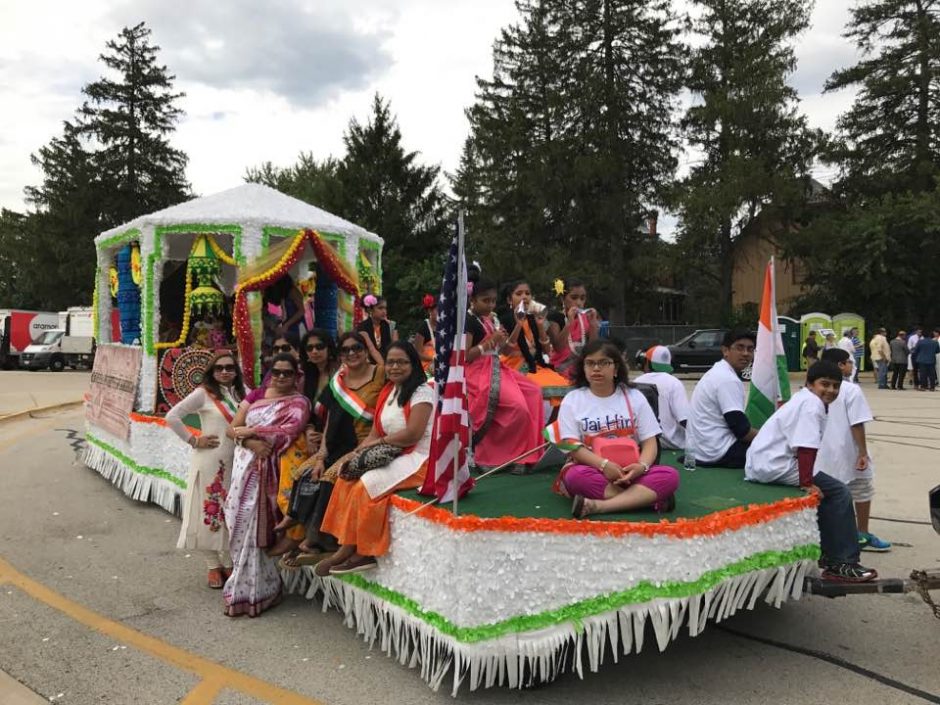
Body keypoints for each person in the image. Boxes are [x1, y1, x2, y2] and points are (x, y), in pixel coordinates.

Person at [744, 361, 877, 583]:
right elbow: (806, 447)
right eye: (824, 384)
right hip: (774, 464)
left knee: (831, 490)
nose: (830, 390)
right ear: (810, 383)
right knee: (840, 493)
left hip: (766, 461)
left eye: (836, 386)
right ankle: (842, 563)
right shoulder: (811, 405)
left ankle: (829, 553)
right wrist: (807, 483)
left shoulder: (806, 399)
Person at [314, 342, 435, 576]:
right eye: (391, 362)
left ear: (414, 364)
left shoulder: (422, 392)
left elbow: (413, 434)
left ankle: (363, 553)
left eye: (402, 362)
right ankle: (345, 546)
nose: (395, 367)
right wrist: (355, 454)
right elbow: (375, 432)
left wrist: (378, 444)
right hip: (392, 453)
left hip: (419, 458)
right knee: (345, 476)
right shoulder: (388, 391)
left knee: (365, 486)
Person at [547, 339, 678, 518]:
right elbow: (572, 447)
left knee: (670, 475)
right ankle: (648, 498)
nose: (596, 369)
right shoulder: (573, 400)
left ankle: (597, 506)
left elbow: (650, 442)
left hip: (632, 471)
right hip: (593, 469)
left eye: (604, 363)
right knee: (575, 477)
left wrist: (642, 466)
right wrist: (604, 465)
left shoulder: (635, 397)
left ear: (616, 368)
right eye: (590, 363)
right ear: (583, 368)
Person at [224, 354, 310, 617]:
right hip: (243, 468)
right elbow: (232, 429)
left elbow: (289, 431)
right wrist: (249, 442)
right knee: (236, 522)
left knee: (255, 526)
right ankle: (243, 586)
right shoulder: (256, 397)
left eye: (287, 373)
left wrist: (251, 432)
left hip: (269, 470)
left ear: (296, 376)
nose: (281, 377)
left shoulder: (299, 402)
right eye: (277, 372)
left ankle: (261, 590)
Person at [297, 331, 385, 559]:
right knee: (304, 471)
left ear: (366, 350)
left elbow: (391, 363)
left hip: (367, 443)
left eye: (357, 348)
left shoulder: (380, 373)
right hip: (339, 442)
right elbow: (331, 421)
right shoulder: (340, 380)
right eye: (346, 350)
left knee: (330, 477)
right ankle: (303, 535)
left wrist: (373, 347)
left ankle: (324, 540)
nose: (352, 353)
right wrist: (320, 456)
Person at [165, 351, 245, 588]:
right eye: (219, 368)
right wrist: (193, 440)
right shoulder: (203, 394)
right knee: (209, 513)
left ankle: (229, 560)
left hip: (238, 462)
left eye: (229, 368)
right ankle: (213, 564)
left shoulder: (243, 393)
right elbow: (172, 416)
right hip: (211, 461)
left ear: (236, 370)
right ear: (211, 371)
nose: (224, 372)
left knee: (232, 513)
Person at [269, 329, 340, 561]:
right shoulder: (307, 377)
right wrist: (310, 432)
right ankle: (293, 525)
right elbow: (309, 414)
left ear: (329, 348)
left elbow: (342, 415)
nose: (315, 351)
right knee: (290, 456)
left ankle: (303, 536)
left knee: (314, 472)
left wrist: (323, 445)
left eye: (319, 346)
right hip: (317, 435)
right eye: (309, 348)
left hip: (341, 437)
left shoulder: (340, 374)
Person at [465, 277, 545, 471]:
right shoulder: (467, 321)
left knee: (534, 392)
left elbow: (505, 351)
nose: (490, 305)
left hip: (496, 366)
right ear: (472, 300)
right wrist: (489, 342)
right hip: (476, 372)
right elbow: (465, 356)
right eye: (485, 300)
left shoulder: (490, 318)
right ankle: (495, 456)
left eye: (493, 300)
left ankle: (528, 453)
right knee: (518, 407)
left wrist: (518, 324)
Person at [818, 348, 891, 552]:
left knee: (826, 494)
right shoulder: (850, 389)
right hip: (848, 451)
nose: (852, 366)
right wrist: (862, 452)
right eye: (849, 362)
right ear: (841, 365)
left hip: (821, 454)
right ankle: (861, 533)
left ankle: (826, 535)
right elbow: (857, 423)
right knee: (862, 489)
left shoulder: (814, 388)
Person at [686, 329, 756, 468]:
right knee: (776, 451)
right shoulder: (727, 379)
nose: (746, 353)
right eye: (740, 348)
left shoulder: (718, 371)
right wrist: (772, 437)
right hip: (717, 452)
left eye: (750, 349)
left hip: (698, 451)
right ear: (725, 351)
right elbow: (741, 430)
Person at [498, 278, 571, 410]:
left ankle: (548, 429)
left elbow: (547, 350)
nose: (524, 297)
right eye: (519, 294)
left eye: (527, 293)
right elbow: (506, 351)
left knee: (564, 386)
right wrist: (518, 325)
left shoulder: (535, 317)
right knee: (537, 388)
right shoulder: (503, 320)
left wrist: (540, 325)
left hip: (535, 364)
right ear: (510, 300)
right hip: (513, 365)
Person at [634, 345, 689, 450]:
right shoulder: (674, 382)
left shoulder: (636, 382)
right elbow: (684, 419)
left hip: (645, 443)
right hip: (673, 443)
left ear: (648, 363)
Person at [546, 278, 599, 380]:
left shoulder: (586, 318)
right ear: (562, 299)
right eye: (574, 298)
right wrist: (570, 323)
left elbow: (593, 349)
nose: (579, 303)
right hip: (559, 370)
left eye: (582, 298)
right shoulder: (555, 318)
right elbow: (558, 347)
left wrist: (593, 325)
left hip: (582, 369)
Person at [262, 275, 305, 342]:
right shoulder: (283, 294)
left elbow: (301, 311)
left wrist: (286, 325)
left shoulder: (292, 291)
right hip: (289, 326)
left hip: (297, 326)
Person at [413, 294, 438, 375]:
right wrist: (433, 358)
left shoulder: (445, 327)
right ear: (429, 311)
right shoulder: (423, 328)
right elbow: (417, 353)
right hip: (426, 365)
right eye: (438, 310)